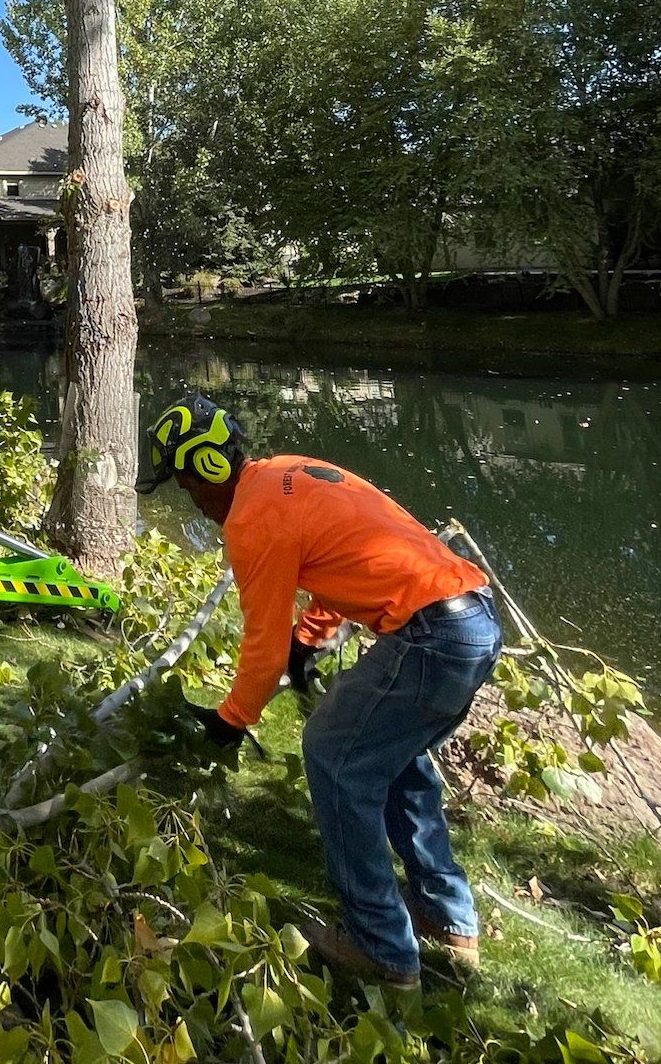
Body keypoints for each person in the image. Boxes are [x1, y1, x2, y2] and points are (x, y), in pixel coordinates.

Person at [137, 391, 502, 991]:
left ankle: (381, 948)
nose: (192, 500)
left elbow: (261, 643)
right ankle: (447, 917)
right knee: (398, 759)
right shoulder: (287, 475)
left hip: (432, 637)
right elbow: (345, 556)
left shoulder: (252, 517)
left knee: (335, 758)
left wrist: (232, 719)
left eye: (185, 483)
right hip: (475, 621)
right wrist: (311, 639)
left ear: (207, 468)